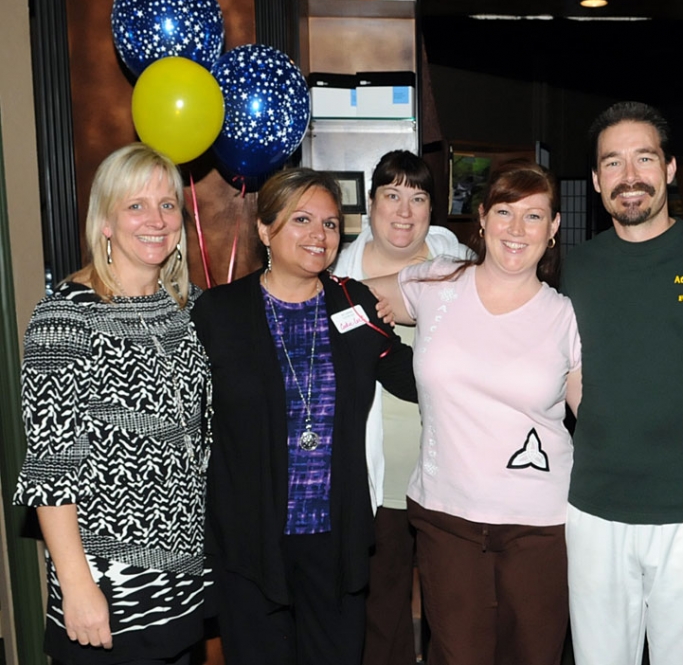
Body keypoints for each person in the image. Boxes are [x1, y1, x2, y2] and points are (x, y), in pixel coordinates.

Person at [561, 101, 683, 665]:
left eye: (644, 158)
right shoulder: (577, 267)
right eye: (613, 163)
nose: (630, 177)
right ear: (597, 180)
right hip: (595, 509)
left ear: (670, 169)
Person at [191, 168, 417, 665]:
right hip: (251, 540)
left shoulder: (353, 301)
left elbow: (412, 376)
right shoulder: (218, 314)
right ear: (264, 229)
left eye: (332, 224)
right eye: (302, 220)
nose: (320, 235)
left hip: (335, 539)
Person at [369, 159, 581, 665]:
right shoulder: (437, 282)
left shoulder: (565, 315)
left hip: (541, 525)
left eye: (534, 216)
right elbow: (347, 297)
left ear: (553, 228)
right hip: (447, 519)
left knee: (533, 655)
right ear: (481, 217)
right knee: (455, 655)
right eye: (505, 211)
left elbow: (596, 417)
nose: (516, 229)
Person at [14, 143, 211, 665]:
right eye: (135, 205)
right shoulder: (66, 316)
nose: (155, 220)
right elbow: (51, 465)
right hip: (109, 588)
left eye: (167, 205)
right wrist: (77, 588)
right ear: (105, 221)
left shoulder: (185, 310)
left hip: (183, 581)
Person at [331, 150, 471, 665]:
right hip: (378, 471)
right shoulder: (334, 269)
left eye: (418, 197)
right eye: (392, 195)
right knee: (381, 603)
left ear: (433, 209)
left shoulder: (456, 266)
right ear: (370, 205)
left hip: (448, 468)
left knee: (451, 605)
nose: (404, 211)